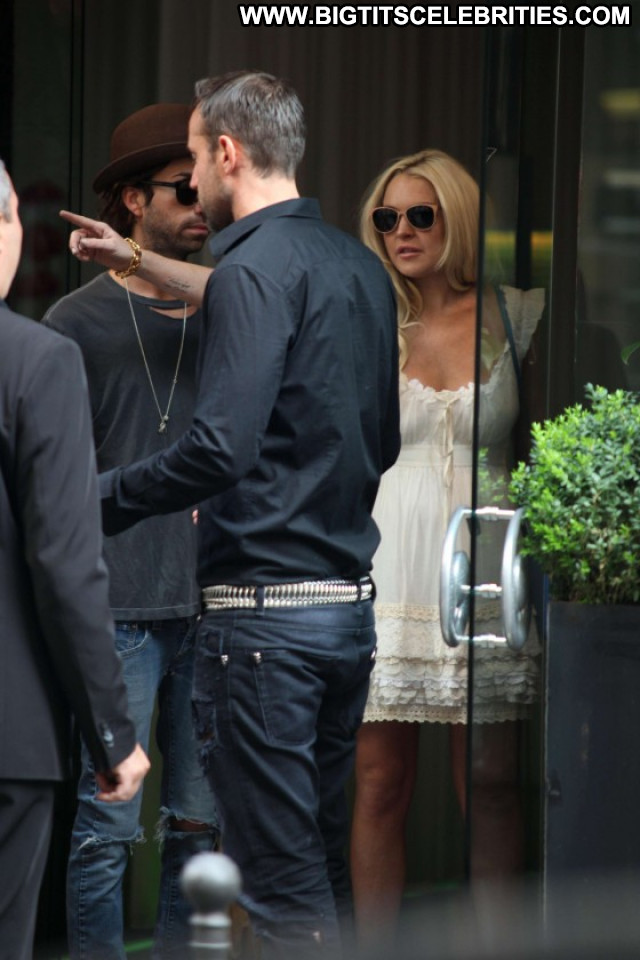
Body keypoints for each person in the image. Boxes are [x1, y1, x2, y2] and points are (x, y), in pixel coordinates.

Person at [60, 70, 400, 959]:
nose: (197, 186)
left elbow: (218, 449)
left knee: (283, 891)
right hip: (343, 617)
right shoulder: (356, 266)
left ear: (225, 152)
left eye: (196, 161)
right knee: (318, 871)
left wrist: (93, 500)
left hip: (263, 631)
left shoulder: (250, 269)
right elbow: (384, 442)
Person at [350, 149, 544, 950]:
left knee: (492, 784)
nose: (401, 231)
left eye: (420, 215)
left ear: (456, 220)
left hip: (485, 564)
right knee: (380, 781)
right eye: (386, 218)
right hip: (388, 561)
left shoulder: (518, 314)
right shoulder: (365, 316)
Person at [43, 104, 218, 960]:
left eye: (206, 186)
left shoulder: (230, 308)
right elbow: (51, 483)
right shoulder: (74, 326)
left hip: (218, 603)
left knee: (200, 824)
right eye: (183, 188)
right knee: (106, 825)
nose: (201, 203)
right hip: (118, 608)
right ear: (132, 201)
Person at [0, 159, 150, 960]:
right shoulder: (35, 358)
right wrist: (112, 735)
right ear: (9, 224)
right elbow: (65, 561)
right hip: (8, 734)